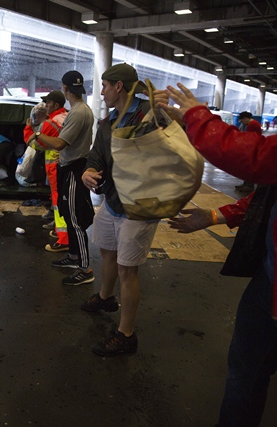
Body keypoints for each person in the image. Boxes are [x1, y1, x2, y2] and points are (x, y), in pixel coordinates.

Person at [157, 25, 277, 425]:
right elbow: (276, 191)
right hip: (274, 281)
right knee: (244, 373)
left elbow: (257, 159)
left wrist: (196, 115)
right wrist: (213, 215)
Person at [79, 63, 159, 356]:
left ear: (119, 86)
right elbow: (96, 156)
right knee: (107, 251)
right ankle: (105, 298)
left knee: (128, 269)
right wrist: (89, 171)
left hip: (139, 206)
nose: (101, 92)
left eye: (104, 86)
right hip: (113, 201)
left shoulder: (151, 115)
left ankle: (126, 335)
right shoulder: (108, 122)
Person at [25, 71, 94, 286]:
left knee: (75, 219)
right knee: (66, 212)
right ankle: (73, 256)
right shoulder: (76, 111)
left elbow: (59, 144)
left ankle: (85, 268)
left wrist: (36, 134)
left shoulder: (79, 112)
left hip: (74, 168)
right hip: (67, 167)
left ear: (65, 89)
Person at [24, 91, 69, 252]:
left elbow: (36, 145)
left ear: (56, 105)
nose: (46, 106)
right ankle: (60, 231)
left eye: (48, 103)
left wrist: (29, 129)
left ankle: (64, 239)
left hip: (56, 168)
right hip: (66, 166)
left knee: (58, 203)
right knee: (63, 201)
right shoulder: (66, 117)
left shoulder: (50, 124)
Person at [234, 111, 263, 193]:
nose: (242, 122)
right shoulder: (253, 123)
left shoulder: (252, 124)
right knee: (247, 166)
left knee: (250, 167)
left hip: (253, 147)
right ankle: (246, 184)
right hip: (253, 147)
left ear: (246, 118)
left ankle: (249, 185)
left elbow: (247, 136)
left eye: (242, 120)